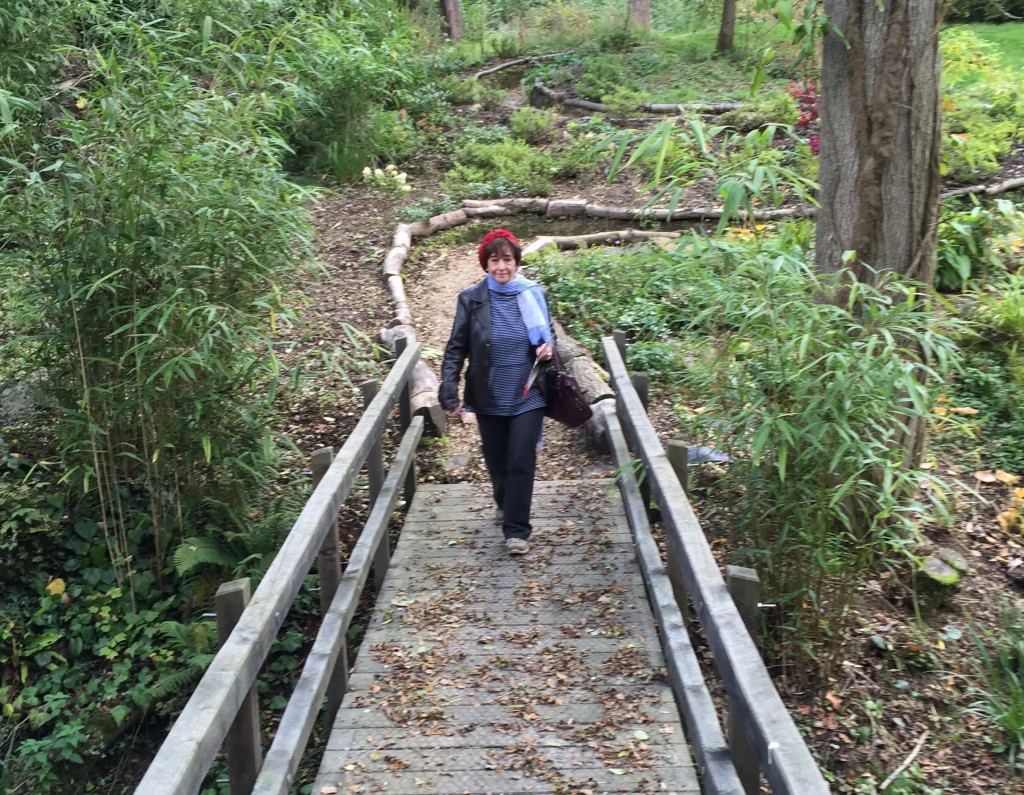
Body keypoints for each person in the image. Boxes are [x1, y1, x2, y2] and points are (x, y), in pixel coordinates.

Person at [439, 229, 555, 556]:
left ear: (516, 262)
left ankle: (517, 530)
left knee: (521, 457)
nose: (502, 266)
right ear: (486, 264)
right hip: (488, 393)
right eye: (495, 260)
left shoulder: (534, 294)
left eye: (507, 259)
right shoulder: (471, 299)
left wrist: (548, 349)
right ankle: (504, 501)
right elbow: (456, 348)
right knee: (497, 460)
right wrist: (449, 386)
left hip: (529, 392)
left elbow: (550, 337)